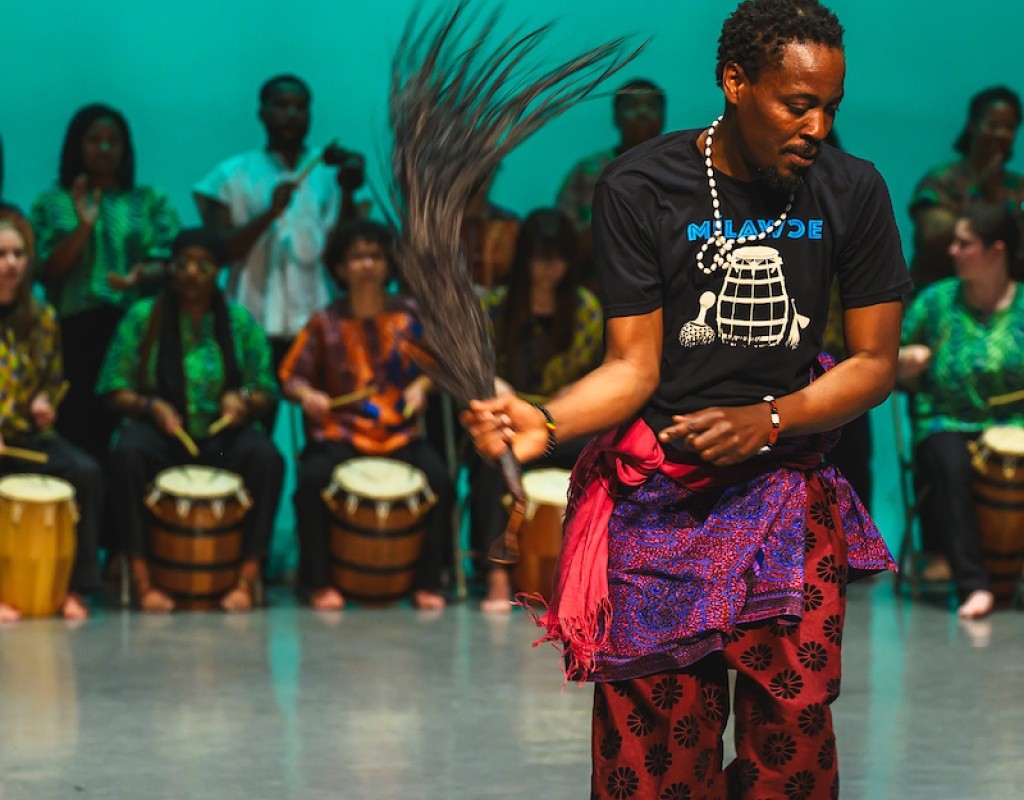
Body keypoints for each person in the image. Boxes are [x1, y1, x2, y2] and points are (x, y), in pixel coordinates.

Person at [463, 1, 911, 797]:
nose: (816, 126)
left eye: (830, 108)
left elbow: (873, 363)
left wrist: (770, 420)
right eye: (796, 104)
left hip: (784, 491)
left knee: (795, 750)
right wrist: (545, 419)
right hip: (659, 500)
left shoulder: (853, 189)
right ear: (735, 81)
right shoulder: (643, 185)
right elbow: (632, 368)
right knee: (655, 758)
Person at [97, 228, 283, 613]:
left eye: (204, 265)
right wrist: (151, 408)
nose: (192, 273)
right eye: (183, 264)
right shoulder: (143, 316)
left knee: (267, 460)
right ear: (171, 269)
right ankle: (141, 576)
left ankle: (248, 576)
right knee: (127, 455)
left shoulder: (238, 321)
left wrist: (243, 400)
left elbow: (266, 387)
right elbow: (113, 387)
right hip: (164, 433)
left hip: (220, 438)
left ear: (218, 271)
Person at [279, 219, 452, 611]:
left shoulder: (410, 317)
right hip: (342, 433)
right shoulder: (325, 322)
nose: (368, 264)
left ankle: (429, 582)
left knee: (441, 479)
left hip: (399, 431)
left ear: (389, 264)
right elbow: (291, 376)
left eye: (375, 256)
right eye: (357, 257)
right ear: (339, 268)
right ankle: (317, 583)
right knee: (310, 483)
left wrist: (420, 388)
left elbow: (439, 367)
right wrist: (309, 395)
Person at [31, 104, 181, 463]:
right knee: (79, 431)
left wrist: (139, 275)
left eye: (113, 141)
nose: (104, 148)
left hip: (137, 330)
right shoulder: (52, 203)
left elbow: (174, 263)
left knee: (135, 438)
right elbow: (46, 272)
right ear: (77, 146)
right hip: (74, 330)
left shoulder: (148, 200)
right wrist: (83, 227)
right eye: (94, 140)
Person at [470, 209, 603, 612]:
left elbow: (594, 377)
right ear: (524, 258)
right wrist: (501, 393)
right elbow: (481, 370)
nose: (547, 269)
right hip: (507, 417)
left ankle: (587, 572)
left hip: (561, 421)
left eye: (556, 258)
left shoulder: (586, 309)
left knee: (602, 458)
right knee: (494, 461)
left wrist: (558, 407)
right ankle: (497, 572)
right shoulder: (495, 306)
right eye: (538, 258)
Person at [193, 74, 368, 372]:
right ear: (262, 112)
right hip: (251, 317)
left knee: (320, 411)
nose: (291, 114)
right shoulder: (231, 174)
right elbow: (218, 251)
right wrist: (269, 214)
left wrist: (349, 188)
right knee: (255, 410)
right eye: (281, 105)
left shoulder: (329, 173)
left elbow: (346, 248)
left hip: (319, 316)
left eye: (300, 107)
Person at [898, 203, 1023, 620]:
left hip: (1013, 424)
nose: (952, 250)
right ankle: (975, 584)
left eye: (964, 243)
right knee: (952, 464)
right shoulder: (936, 302)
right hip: (946, 420)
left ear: (996, 251)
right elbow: (882, 361)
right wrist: (905, 361)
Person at [0, 209, 102, 622]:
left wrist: (44, 402)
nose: (10, 264)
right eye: (1, 254)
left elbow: (51, 378)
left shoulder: (41, 317)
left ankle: (74, 587)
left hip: (24, 437)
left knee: (85, 472)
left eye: (19, 255)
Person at [909, 86, 1023, 290]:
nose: (1001, 134)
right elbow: (931, 241)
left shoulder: (1018, 188)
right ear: (973, 125)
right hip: (941, 302)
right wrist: (984, 193)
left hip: (1005, 307)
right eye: (993, 125)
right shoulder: (943, 180)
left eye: (1009, 128)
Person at [555, 78, 666, 275]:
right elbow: (562, 237)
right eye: (632, 106)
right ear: (616, 117)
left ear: (663, 116)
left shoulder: (678, 169)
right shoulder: (589, 169)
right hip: (597, 281)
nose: (642, 114)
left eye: (652, 106)